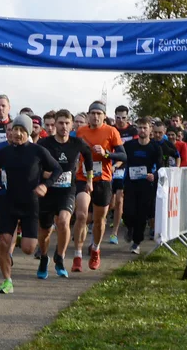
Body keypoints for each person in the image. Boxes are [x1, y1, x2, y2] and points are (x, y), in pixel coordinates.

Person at [0, 114, 62, 294]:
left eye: (22, 130)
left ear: (28, 132)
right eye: (15, 129)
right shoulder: (3, 152)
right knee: (4, 241)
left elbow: (57, 169)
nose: (18, 133)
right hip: (7, 202)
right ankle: (7, 281)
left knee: (28, 249)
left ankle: (30, 242)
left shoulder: (37, 151)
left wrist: (45, 185)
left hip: (30, 204)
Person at [36, 109, 91, 276]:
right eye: (60, 123)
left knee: (64, 221)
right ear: (55, 124)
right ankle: (44, 257)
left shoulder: (77, 143)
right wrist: (43, 175)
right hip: (47, 190)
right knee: (45, 230)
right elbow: (35, 163)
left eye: (67, 123)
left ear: (72, 124)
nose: (64, 126)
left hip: (68, 189)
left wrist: (89, 180)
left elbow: (88, 157)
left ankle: (59, 257)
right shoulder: (44, 144)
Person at [73, 101, 124, 271]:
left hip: (103, 179)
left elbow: (124, 156)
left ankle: (95, 248)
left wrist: (106, 153)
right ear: (88, 115)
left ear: (104, 116)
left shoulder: (111, 131)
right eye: (92, 113)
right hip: (83, 177)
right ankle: (78, 255)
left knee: (98, 220)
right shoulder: (81, 131)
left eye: (99, 113)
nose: (95, 116)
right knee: (81, 215)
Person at [120, 117, 162, 254]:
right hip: (131, 183)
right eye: (140, 127)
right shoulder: (130, 145)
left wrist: (154, 175)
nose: (142, 130)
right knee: (128, 212)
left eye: (145, 127)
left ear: (150, 129)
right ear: (137, 129)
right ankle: (129, 228)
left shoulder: (155, 147)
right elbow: (122, 160)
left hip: (146, 185)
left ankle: (136, 243)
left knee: (142, 214)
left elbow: (161, 167)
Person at [107, 105, 137, 245]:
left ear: (128, 118)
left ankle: (114, 233)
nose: (120, 120)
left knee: (119, 199)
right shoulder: (111, 130)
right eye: (118, 117)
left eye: (123, 118)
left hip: (124, 167)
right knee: (110, 202)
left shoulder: (133, 130)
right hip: (109, 167)